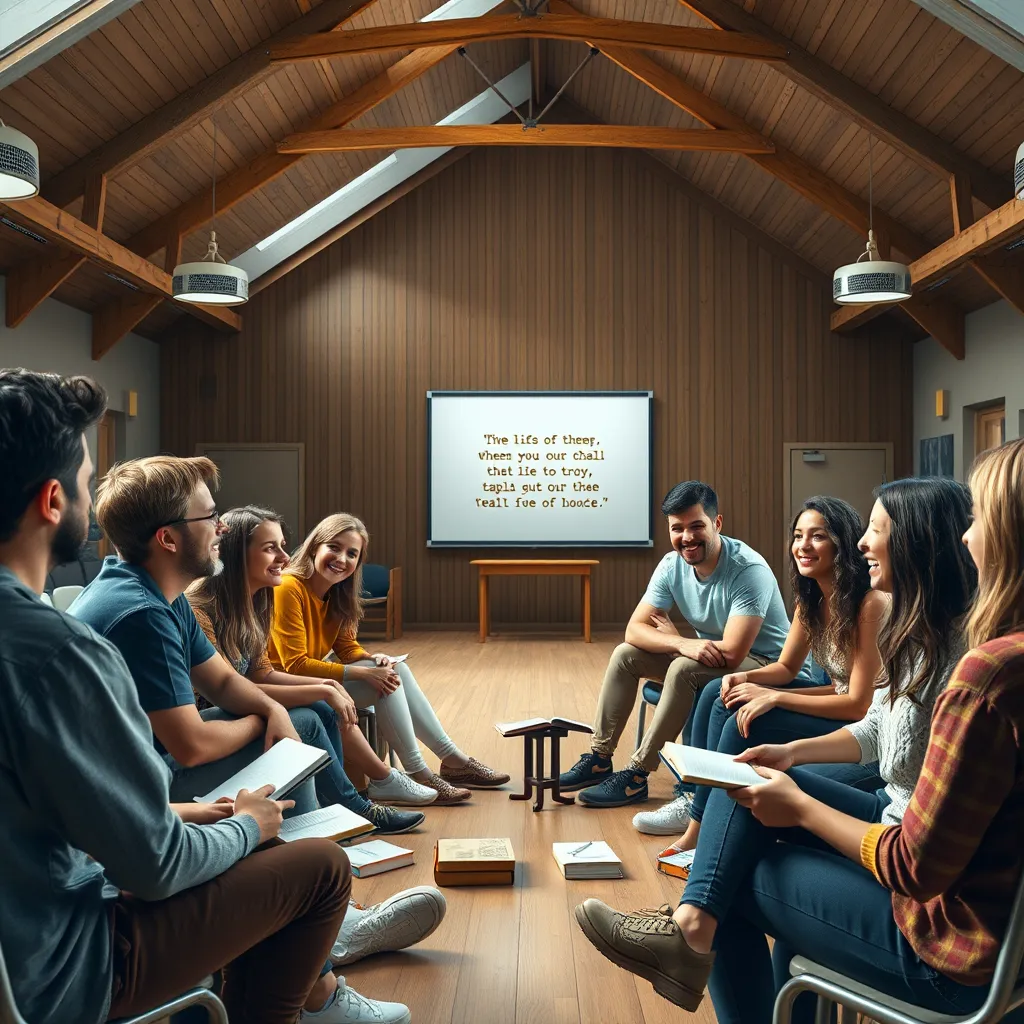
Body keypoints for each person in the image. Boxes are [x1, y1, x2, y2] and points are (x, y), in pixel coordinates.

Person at [0, 368, 410, 1024]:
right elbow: (153, 865)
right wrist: (248, 824)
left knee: (276, 771)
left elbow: (65, 813)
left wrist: (212, 802)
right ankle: (320, 983)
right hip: (64, 966)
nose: (221, 528)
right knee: (320, 870)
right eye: (82, 479)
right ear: (52, 501)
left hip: (37, 920)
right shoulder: (61, 654)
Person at [574, 476, 988, 1024]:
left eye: (876, 530)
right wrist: (791, 754)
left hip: (937, 925)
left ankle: (691, 930)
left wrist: (801, 808)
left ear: (915, 542)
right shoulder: (921, 634)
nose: (863, 543)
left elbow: (915, 859)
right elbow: (879, 730)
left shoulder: (970, 668)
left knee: (734, 877)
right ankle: (695, 914)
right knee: (744, 778)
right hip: (896, 820)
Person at [636, 496, 885, 843]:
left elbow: (860, 704)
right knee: (717, 691)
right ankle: (695, 805)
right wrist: (745, 677)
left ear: (842, 544)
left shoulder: (870, 604)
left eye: (818, 536)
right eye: (798, 536)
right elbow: (785, 667)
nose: (803, 546)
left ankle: (697, 829)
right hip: (840, 701)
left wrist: (774, 696)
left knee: (745, 720)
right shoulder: (810, 600)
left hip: (866, 724)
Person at [186, 505, 435, 829]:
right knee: (310, 712)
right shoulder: (198, 608)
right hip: (208, 725)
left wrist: (329, 687)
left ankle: (344, 806)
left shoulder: (255, 603)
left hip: (241, 707)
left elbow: (261, 674)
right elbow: (224, 690)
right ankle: (356, 804)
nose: (285, 558)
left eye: (282, 547)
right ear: (237, 554)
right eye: (270, 548)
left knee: (323, 703)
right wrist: (321, 688)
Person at [559, 480, 803, 808]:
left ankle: (636, 775)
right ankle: (599, 758)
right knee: (625, 655)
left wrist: (680, 648)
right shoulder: (672, 566)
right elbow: (635, 629)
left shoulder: (748, 570)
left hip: (766, 664)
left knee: (684, 668)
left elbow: (732, 652)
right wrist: (681, 643)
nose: (686, 537)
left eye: (696, 526)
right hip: (705, 655)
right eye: (677, 529)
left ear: (717, 523)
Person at [268, 513, 510, 803]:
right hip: (284, 685)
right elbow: (295, 664)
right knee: (380, 680)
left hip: (313, 682)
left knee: (395, 670)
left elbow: (347, 648)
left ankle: (452, 759)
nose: (342, 559)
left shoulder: (338, 594)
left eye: (352, 554)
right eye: (334, 547)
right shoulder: (288, 588)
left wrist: (374, 659)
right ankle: (420, 773)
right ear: (314, 547)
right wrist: (365, 673)